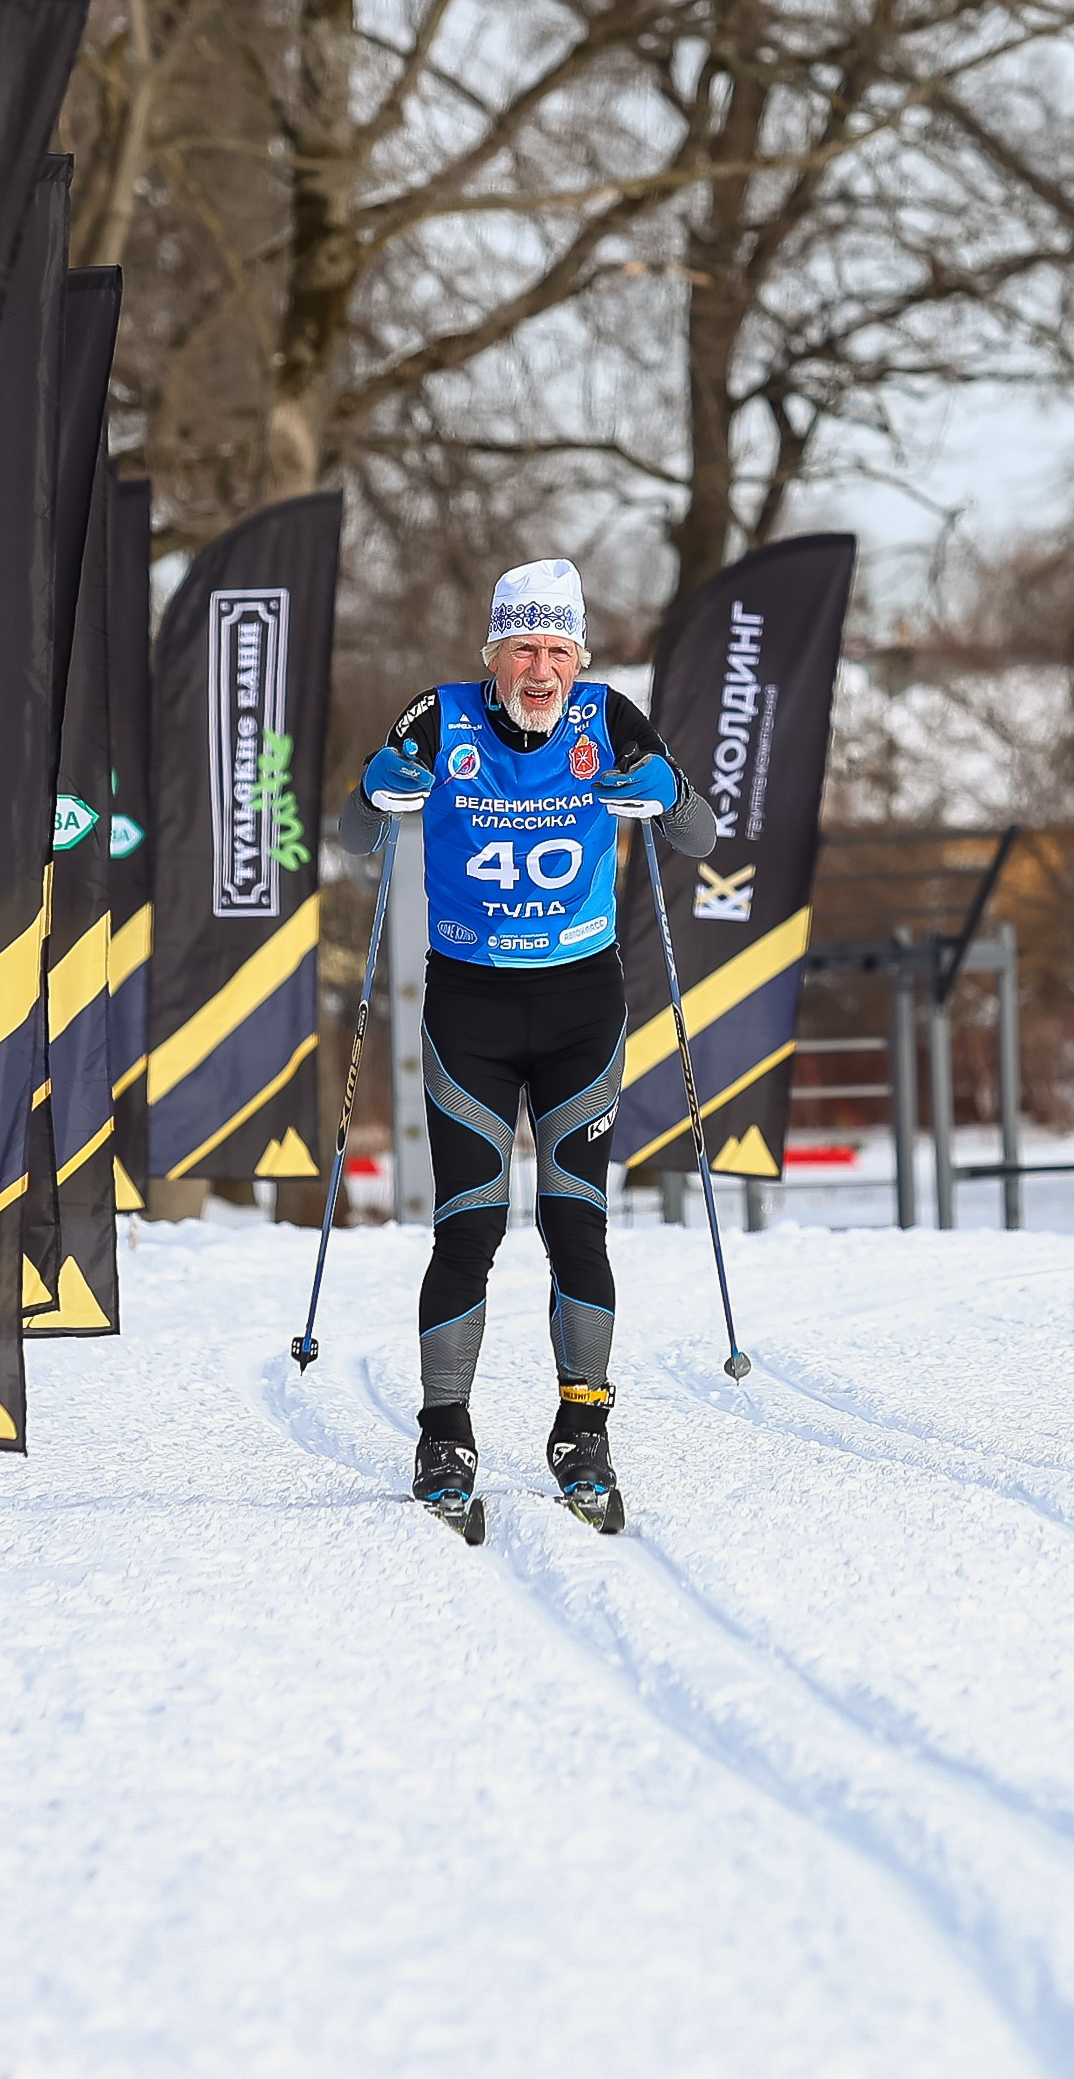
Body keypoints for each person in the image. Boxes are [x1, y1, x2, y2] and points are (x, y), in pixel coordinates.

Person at [339, 558, 716, 1517]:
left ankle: (581, 1429)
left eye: (556, 648)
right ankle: (442, 1437)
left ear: (577, 656)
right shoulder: (439, 715)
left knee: (573, 1222)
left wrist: (666, 797)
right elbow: (351, 832)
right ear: (493, 656)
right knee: (465, 1222)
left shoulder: (607, 717)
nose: (539, 669)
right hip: (469, 1006)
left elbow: (703, 837)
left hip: (580, 1007)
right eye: (522, 648)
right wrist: (375, 791)